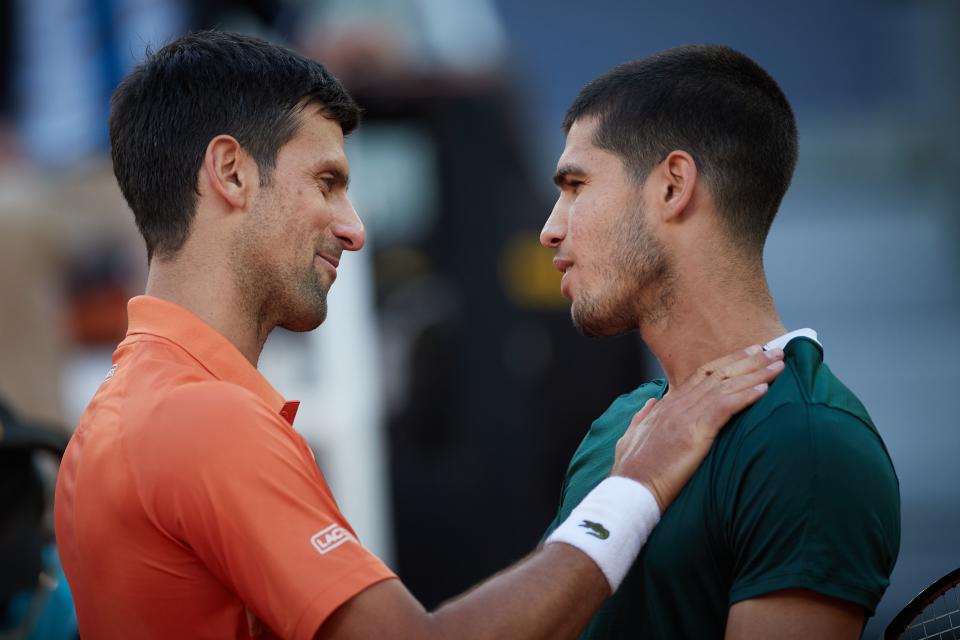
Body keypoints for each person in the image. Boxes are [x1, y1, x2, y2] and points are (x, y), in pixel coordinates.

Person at [52, 32, 786, 640]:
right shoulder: (204, 420)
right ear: (231, 174)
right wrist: (636, 487)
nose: (354, 226)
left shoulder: (115, 416)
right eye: (327, 182)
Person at [539, 44, 901, 639]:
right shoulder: (620, 425)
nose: (551, 227)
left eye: (576, 185)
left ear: (673, 186)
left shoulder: (809, 445)